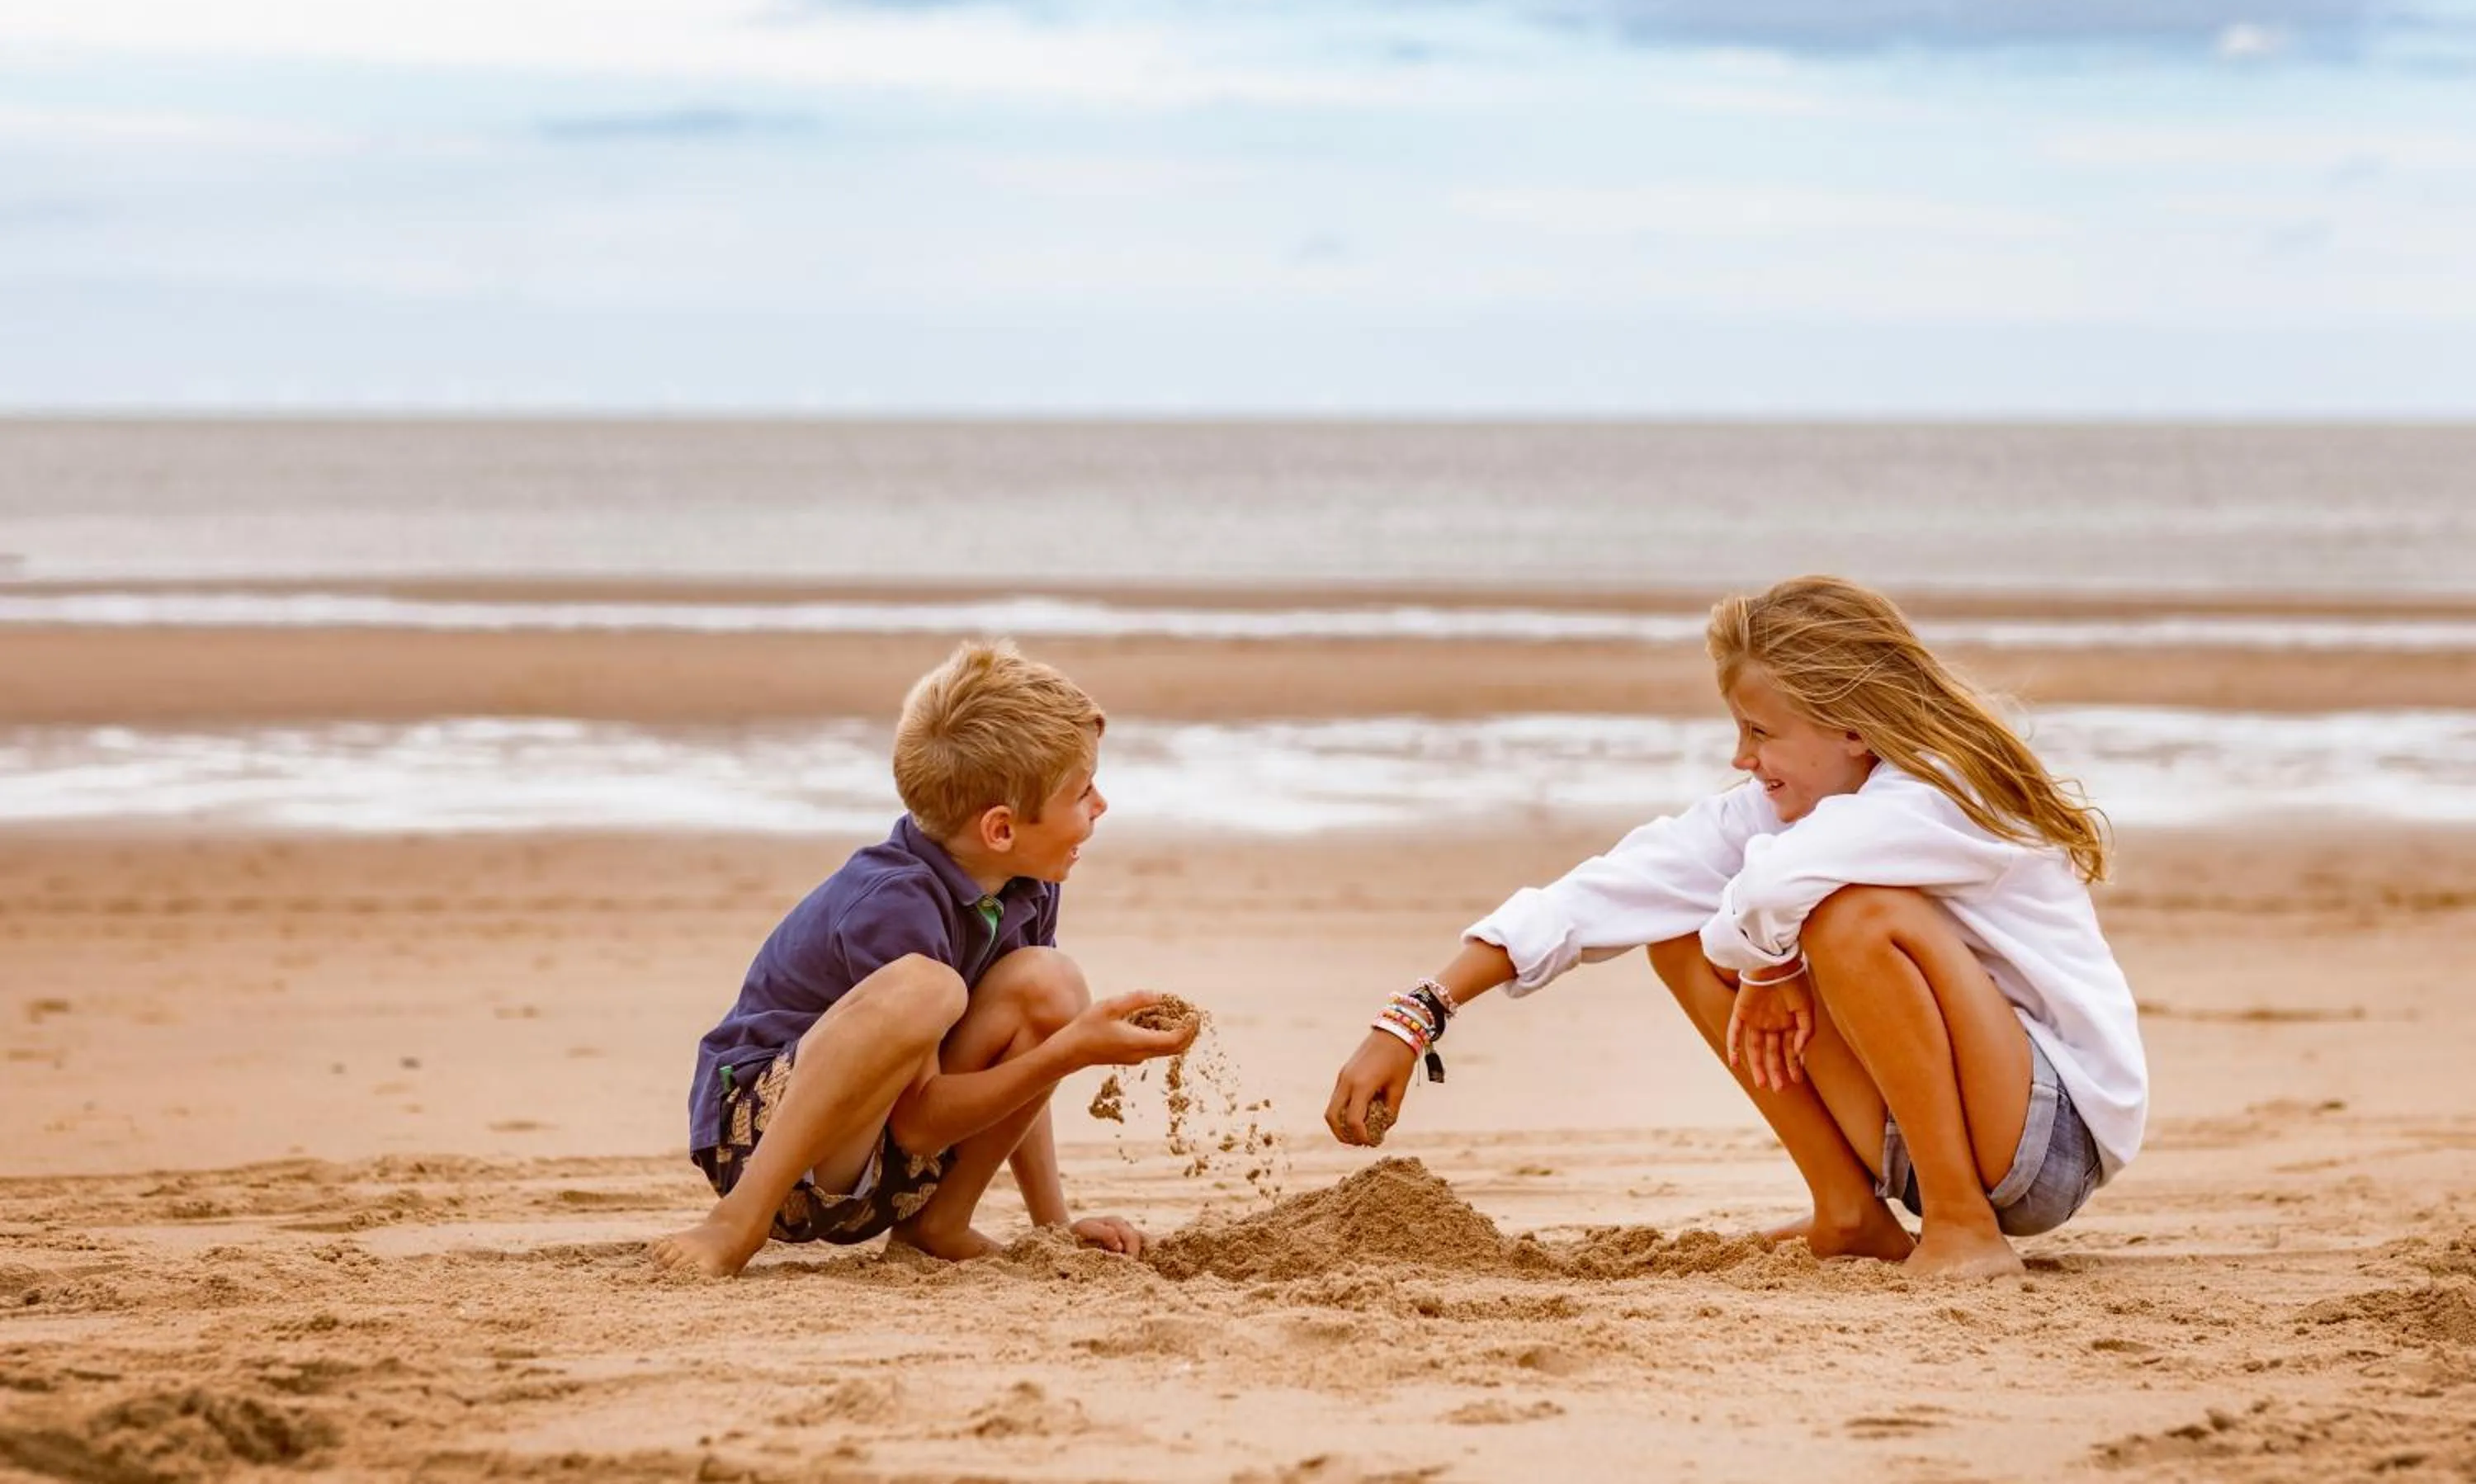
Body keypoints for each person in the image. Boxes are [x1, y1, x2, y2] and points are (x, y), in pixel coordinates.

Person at [1325, 576, 2148, 1280]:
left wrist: (1767, 968)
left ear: (1854, 727)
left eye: (1761, 731)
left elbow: (1781, 885)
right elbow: (1613, 887)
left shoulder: (1943, 791)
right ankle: (1850, 1213)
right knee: (1679, 926)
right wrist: (1420, 1012)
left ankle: (1966, 1229)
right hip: (1931, 1130)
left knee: (1853, 917)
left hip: (2047, 1139)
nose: (1741, 756)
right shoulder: (1791, 808)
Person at [652, 639, 1195, 1278]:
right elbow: (918, 1125)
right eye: (1083, 793)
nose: (1101, 805)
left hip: (885, 1165)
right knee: (928, 988)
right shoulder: (892, 901)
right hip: (769, 1146)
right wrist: (1073, 1051)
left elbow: (1019, 1057)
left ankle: (940, 1222)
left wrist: (1054, 1226)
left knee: (1050, 983)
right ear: (1000, 829)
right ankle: (735, 1222)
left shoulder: (1027, 883)